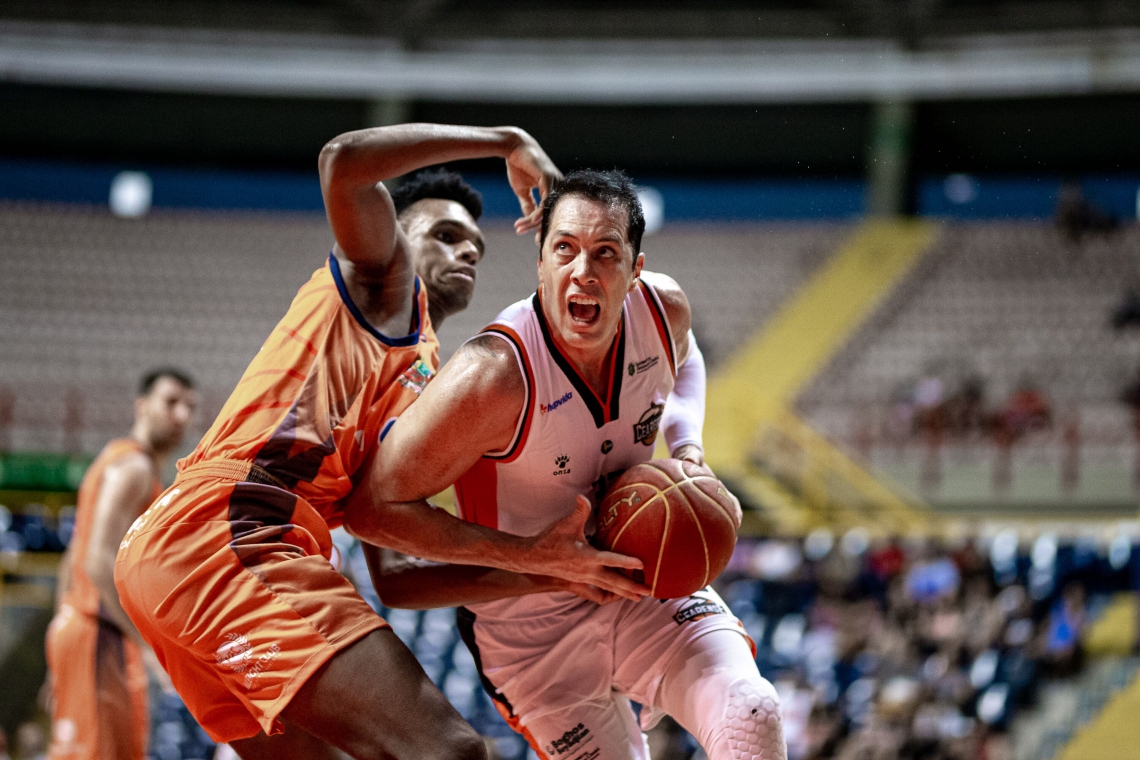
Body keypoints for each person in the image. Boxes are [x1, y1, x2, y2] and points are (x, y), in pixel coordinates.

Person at [114, 124, 646, 760]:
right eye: (444, 235)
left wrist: (546, 564)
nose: (467, 250)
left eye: (476, 243)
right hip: (231, 528)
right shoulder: (385, 283)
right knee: (451, 751)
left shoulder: (426, 384)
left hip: (187, 554)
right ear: (398, 236)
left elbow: (396, 578)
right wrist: (504, 141)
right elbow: (341, 164)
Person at [356, 170, 787, 760]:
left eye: (605, 253)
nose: (583, 270)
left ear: (635, 269)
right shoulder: (491, 376)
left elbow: (686, 360)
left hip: (641, 585)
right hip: (529, 637)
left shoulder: (662, 311)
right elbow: (375, 511)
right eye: (565, 249)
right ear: (540, 261)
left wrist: (687, 448)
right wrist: (536, 562)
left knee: (751, 711)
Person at [45, 368, 197, 760]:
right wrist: (147, 649)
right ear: (142, 407)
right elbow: (96, 558)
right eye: (171, 402)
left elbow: (73, 555)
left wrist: (60, 635)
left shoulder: (114, 460)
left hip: (79, 628)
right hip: (98, 631)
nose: (181, 415)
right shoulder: (135, 469)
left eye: (189, 407)